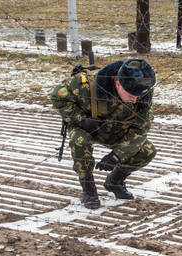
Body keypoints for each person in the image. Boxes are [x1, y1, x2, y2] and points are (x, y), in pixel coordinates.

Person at [51, 58, 157, 209]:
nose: (135, 100)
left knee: (147, 151)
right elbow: (58, 97)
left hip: (117, 129)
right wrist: (81, 120)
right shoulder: (85, 85)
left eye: (138, 96)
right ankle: (89, 189)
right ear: (118, 83)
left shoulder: (142, 90)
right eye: (131, 95)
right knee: (80, 142)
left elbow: (142, 128)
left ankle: (114, 181)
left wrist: (117, 155)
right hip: (87, 126)